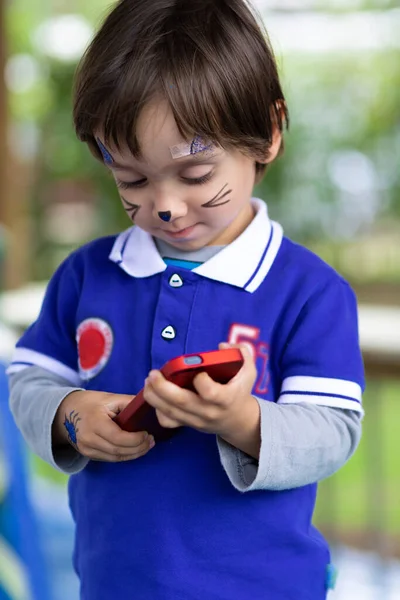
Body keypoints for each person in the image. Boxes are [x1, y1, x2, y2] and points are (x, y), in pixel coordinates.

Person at [7, 0, 365, 598]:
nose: (166, 205)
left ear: (269, 132)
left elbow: (332, 430)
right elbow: (27, 378)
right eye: (133, 180)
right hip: (112, 583)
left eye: (196, 176)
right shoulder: (86, 275)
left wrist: (242, 420)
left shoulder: (310, 292)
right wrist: (70, 413)